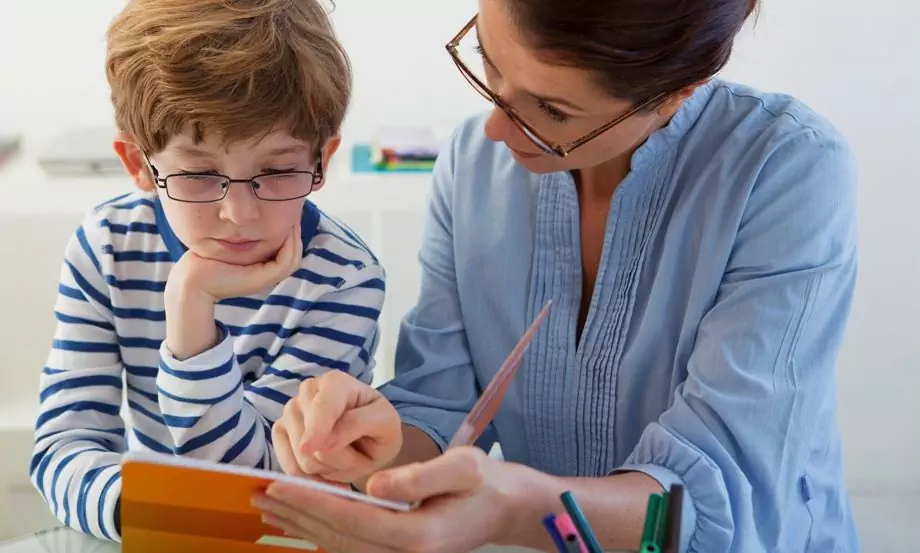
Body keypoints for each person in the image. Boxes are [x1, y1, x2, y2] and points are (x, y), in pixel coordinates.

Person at [255, 0, 860, 551]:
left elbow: (704, 501)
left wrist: (514, 510)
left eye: (552, 110)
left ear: (678, 92)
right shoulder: (473, 161)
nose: (496, 128)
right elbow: (437, 403)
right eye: (488, 65)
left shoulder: (784, 168)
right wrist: (373, 447)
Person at [28, 0, 385, 542]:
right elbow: (65, 440)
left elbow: (255, 486)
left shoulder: (343, 278)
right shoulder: (108, 243)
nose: (239, 214)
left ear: (321, 162)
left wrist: (192, 309)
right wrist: (144, 509)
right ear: (139, 166)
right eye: (198, 173)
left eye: (277, 169)